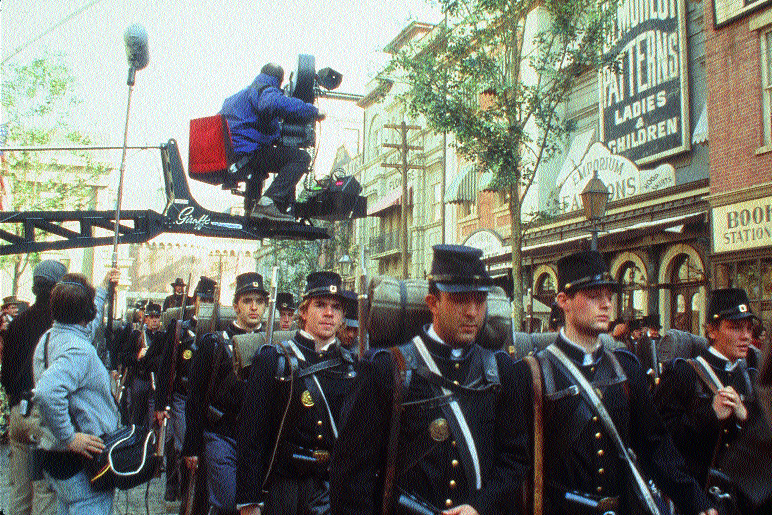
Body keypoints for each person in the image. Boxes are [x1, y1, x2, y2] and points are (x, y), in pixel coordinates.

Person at [330, 245, 529, 515]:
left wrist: (479, 507)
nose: (472, 312)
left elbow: (515, 459)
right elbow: (352, 475)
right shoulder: (388, 369)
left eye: (480, 300)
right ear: (432, 303)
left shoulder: (501, 370)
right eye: (461, 300)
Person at [513, 250, 715, 515]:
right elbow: (516, 466)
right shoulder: (532, 374)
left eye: (609, 296)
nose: (607, 304)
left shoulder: (625, 369)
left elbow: (656, 447)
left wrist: (696, 502)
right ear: (564, 300)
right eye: (594, 296)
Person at [237, 271, 358, 515]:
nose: (329, 313)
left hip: (330, 486)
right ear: (303, 311)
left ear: (343, 315)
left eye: (336, 307)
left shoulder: (352, 367)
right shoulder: (274, 359)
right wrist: (249, 500)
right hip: (284, 487)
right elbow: (252, 434)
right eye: (320, 305)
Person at [655, 288, 768, 512]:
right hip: (696, 499)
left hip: (741, 502)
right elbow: (660, 444)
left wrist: (745, 416)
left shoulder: (751, 378)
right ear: (712, 331)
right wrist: (710, 415)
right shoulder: (683, 374)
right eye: (735, 328)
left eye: (748, 328)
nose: (745, 336)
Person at [32, 268, 121, 515]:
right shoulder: (78, 351)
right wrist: (69, 436)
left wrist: (103, 288)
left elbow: (87, 328)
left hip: (58, 459)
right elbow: (47, 393)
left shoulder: (51, 338)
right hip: (81, 463)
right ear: (86, 312)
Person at [181, 272, 268, 515]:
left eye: (259, 302)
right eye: (247, 301)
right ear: (236, 305)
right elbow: (196, 398)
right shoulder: (214, 344)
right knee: (228, 503)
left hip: (259, 439)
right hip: (222, 433)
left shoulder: (273, 346)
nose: (254, 307)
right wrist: (191, 445)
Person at [221, 62, 326, 221]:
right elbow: (272, 103)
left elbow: (249, 124)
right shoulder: (264, 88)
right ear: (278, 80)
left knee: (262, 160)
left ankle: (252, 209)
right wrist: (313, 111)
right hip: (247, 153)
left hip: (233, 154)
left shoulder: (236, 97)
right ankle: (267, 203)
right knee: (301, 158)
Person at [1, 260, 66, 515]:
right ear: (57, 288)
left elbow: (5, 375)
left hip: (18, 413)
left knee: (19, 491)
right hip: (41, 416)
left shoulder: (17, 322)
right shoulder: (58, 325)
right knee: (44, 492)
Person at [156, 276, 217, 506]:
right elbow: (165, 368)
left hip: (207, 401)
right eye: (203, 299)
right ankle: (184, 495)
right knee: (184, 448)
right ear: (196, 301)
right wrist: (161, 404)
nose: (207, 304)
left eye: (212, 300)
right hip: (182, 396)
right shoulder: (180, 328)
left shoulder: (217, 331)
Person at [119, 301, 164, 427]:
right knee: (136, 418)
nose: (155, 320)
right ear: (146, 319)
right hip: (139, 380)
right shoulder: (137, 335)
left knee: (152, 421)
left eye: (157, 317)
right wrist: (137, 356)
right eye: (151, 317)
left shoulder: (162, 337)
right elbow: (123, 357)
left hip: (155, 382)